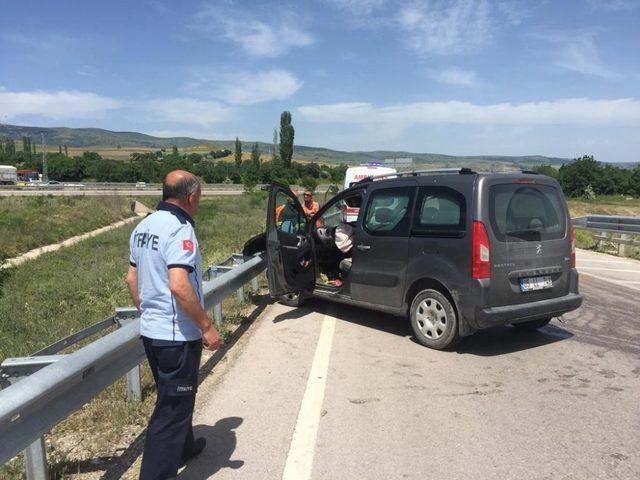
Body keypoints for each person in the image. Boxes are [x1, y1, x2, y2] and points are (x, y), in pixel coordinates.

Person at [125, 170, 221, 480]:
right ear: (191, 196)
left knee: (176, 397)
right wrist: (206, 326)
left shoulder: (143, 226)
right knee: (171, 411)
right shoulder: (181, 230)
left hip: (153, 334)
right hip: (176, 338)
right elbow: (179, 286)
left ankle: (184, 448)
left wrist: (150, 313)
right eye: (200, 196)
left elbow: (132, 278)